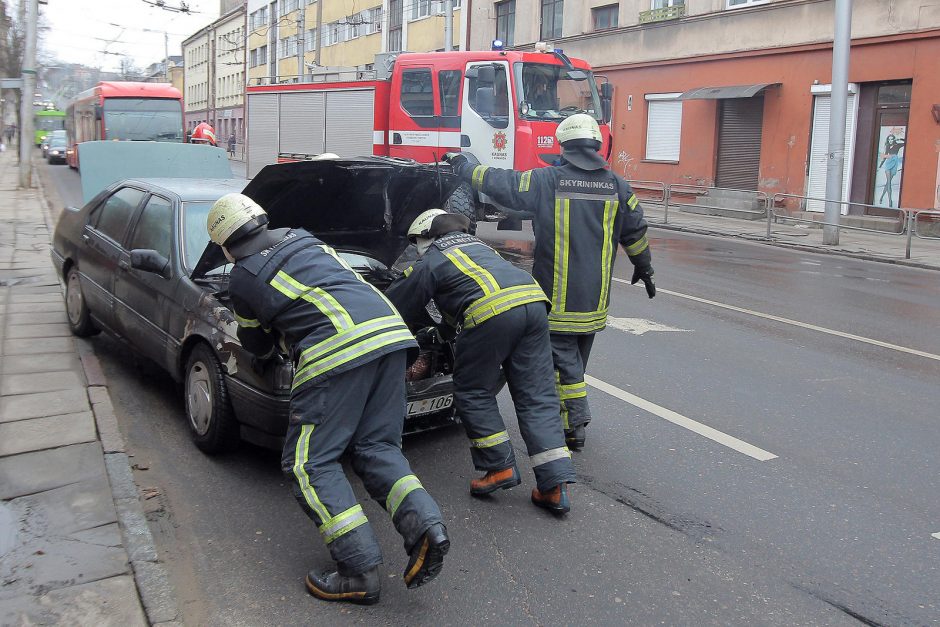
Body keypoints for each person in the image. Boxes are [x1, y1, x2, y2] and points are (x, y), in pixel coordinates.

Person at [206, 193, 449, 605]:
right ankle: (425, 525)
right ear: (262, 220)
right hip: (391, 336)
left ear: (224, 245)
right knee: (377, 448)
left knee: (308, 462)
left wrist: (268, 350)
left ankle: (358, 570)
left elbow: (256, 343)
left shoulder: (244, 275)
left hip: (338, 349)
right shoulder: (305, 238)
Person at [444, 114, 655, 452]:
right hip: (595, 301)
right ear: (596, 146)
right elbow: (636, 232)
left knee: (560, 367)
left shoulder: (547, 180)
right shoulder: (618, 186)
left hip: (556, 299)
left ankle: (573, 425)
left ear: (564, 145)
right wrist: (645, 268)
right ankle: (570, 420)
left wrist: (465, 167)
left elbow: (504, 183)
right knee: (575, 363)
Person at [386, 209, 577, 514]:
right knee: (537, 395)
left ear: (425, 236)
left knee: (473, 391)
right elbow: (458, 300)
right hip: (533, 305)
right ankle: (554, 486)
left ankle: (498, 466)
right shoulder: (480, 247)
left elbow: (396, 307)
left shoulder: (433, 259)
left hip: (492, 314)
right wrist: (441, 331)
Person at [878, 133, 905, 207]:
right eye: (889, 139)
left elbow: (906, 142)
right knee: (889, 182)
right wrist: (880, 166)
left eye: (891, 139)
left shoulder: (897, 145)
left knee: (888, 183)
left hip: (895, 162)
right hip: (888, 162)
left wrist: (899, 139)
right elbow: (885, 155)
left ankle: (881, 197)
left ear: (894, 139)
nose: (890, 140)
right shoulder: (887, 146)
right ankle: (890, 201)